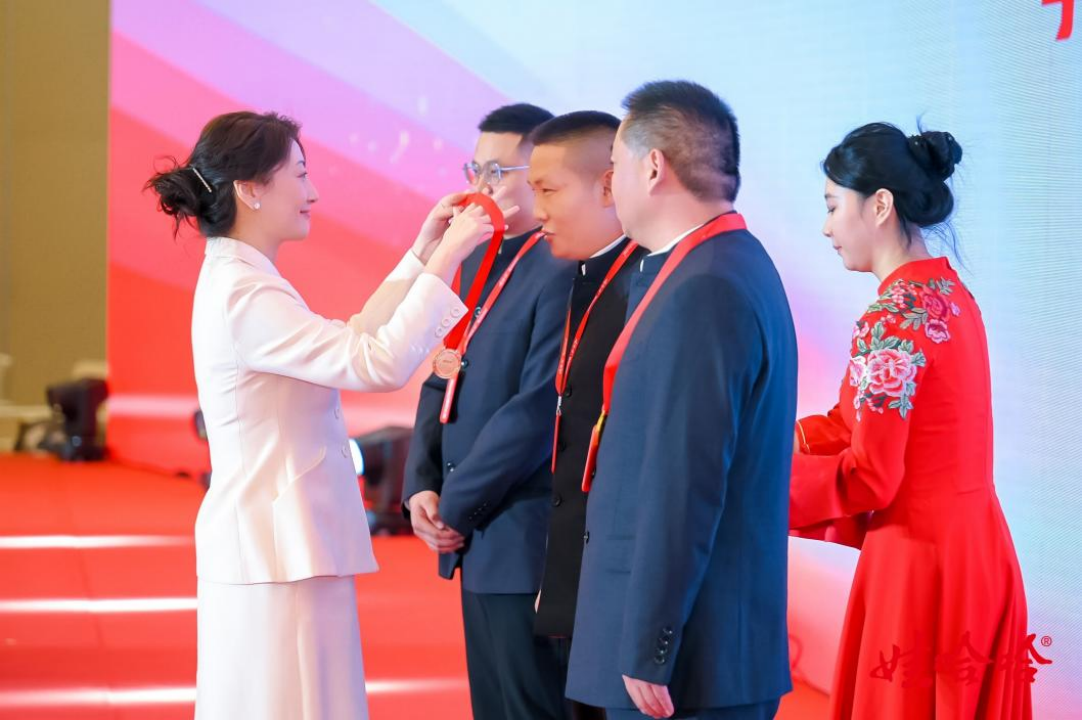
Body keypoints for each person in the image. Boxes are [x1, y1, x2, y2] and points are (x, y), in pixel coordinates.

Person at [147, 110, 499, 720]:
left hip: (282, 544)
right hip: (277, 546)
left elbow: (351, 339)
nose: (312, 193)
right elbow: (375, 364)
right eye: (300, 175)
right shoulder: (246, 291)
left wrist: (422, 253)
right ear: (251, 189)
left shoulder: (245, 279)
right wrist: (448, 257)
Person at [566, 80, 797, 720]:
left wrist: (652, 642)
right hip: (689, 652)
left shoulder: (706, 285)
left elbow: (685, 478)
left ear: (653, 167)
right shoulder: (714, 264)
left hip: (688, 664)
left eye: (615, 164)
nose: (610, 183)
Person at [790, 123, 1031, 719]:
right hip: (979, 549)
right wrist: (774, 439)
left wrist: (759, 476)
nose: (826, 227)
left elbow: (871, 474)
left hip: (919, 565)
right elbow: (856, 421)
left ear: (879, 205)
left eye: (832, 206)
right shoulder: (951, 294)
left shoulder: (892, 317)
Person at [403, 103, 576, 720]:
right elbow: (443, 370)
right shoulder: (481, 255)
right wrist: (420, 485)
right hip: (472, 531)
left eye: (498, 172)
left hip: (520, 534)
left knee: (529, 704)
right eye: (475, 168)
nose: (481, 184)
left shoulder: (563, 267)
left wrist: (454, 505)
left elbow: (536, 411)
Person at [527, 110, 648, 720]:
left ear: (608, 185)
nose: (538, 211)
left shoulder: (649, 284)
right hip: (578, 567)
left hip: (626, 583)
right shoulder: (582, 274)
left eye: (549, 190)